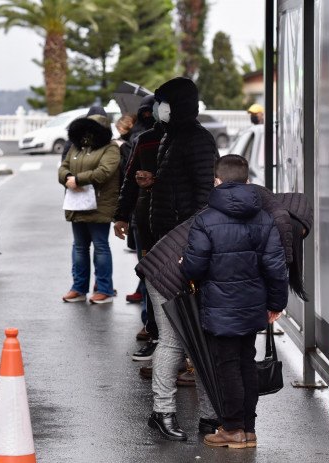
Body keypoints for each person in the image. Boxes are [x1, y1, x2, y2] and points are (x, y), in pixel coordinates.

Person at [180, 155, 288, 449]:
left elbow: (194, 268)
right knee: (246, 364)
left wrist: (184, 263)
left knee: (227, 367)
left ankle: (232, 429)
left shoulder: (205, 219)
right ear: (247, 182)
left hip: (219, 306)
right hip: (253, 304)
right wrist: (277, 303)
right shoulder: (263, 218)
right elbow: (276, 267)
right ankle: (248, 430)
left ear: (216, 180)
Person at [142, 77, 220, 441]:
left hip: (185, 253)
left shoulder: (199, 142)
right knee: (175, 339)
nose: (159, 108)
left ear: (180, 104)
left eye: (164, 102)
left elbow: (204, 200)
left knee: (195, 340)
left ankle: (207, 417)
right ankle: (164, 412)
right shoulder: (170, 139)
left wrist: (194, 252)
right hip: (167, 250)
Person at [113, 95, 161, 346]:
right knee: (148, 273)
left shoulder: (192, 139)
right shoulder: (142, 139)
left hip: (173, 219)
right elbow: (130, 178)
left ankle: (166, 332)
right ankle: (151, 326)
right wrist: (122, 215)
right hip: (145, 216)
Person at [58, 114, 120, 304]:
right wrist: (68, 176)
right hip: (77, 205)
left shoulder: (110, 148)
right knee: (79, 248)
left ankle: (104, 290)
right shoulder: (76, 147)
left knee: (100, 247)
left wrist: (78, 179)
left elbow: (104, 172)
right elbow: (63, 167)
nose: (87, 132)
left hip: (99, 205)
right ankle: (79, 288)